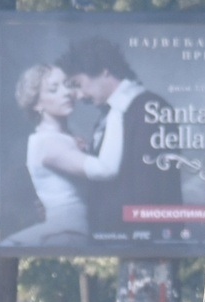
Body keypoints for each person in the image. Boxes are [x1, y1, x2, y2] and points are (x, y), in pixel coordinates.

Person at [54, 37, 183, 238]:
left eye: (78, 84)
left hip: (144, 239)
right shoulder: (111, 115)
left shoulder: (149, 108)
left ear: (105, 70)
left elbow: (151, 185)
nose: (78, 96)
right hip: (122, 237)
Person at [0, 64, 90, 247]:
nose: (66, 93)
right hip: (69, 231)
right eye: (54, 89)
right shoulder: (45, 143)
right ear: (37, 104)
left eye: (67, 85)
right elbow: (103, 172)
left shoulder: (71, 138)